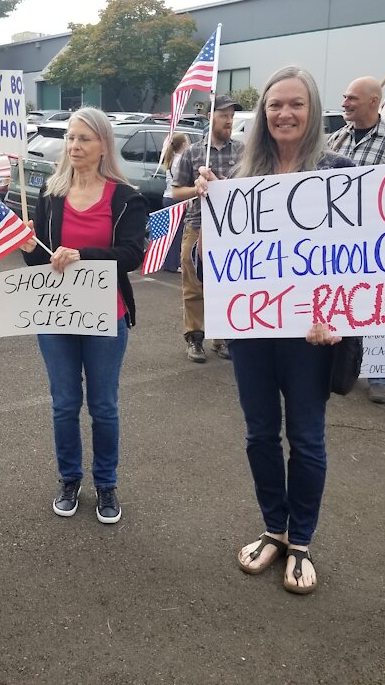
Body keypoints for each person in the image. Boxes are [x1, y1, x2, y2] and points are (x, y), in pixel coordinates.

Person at [195, 66, 355, 596]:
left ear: (312, 112)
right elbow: (207, 265)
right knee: (260, 433)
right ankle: (274, 528)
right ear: (262, 116)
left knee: (306, 439)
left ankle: (302, 542)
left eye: (296, 104)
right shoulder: (240, 181)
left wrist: (340, 315)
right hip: (253, 332)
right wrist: (208, 210)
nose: (284, 113)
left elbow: (360, 262)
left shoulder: (340, 172)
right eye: (274, 105)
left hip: (312, 335)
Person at [17, 107, 147, 525]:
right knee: (64, 404)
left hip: (106, 315)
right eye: (71, 138)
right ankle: (69, 479)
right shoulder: (51, 194)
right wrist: (26, 246)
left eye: (84, 139)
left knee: (104, 406)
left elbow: (133, 254)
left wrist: (83, 255)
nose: (74, 146)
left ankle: (106, 483)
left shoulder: (126, 197)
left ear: (103, 145)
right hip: (56, 315)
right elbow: (39, 261)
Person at [324, 75, 385, 404]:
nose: (344, 103)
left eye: (351, 98)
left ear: (374, 102)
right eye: (344, 97)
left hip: (378, 241)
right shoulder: (334, 140)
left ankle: (380, 375)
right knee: (343, 305)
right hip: (338, 241)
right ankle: (342, 368)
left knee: (379, 306)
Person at [172, 94, 244, 363]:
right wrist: (198, 187)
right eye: (224, 115)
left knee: (226, 283)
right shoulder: (193, 152)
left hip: (230, 229)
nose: (229, 120)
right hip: (197, 225)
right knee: (194, 285)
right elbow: (176, 190)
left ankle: (222, 336)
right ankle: (195, 338)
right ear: (211, 117)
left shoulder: (242, 151)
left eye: (232, 116)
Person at [158, 132, 190, 273]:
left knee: (169, 233)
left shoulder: (170, 160)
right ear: (183, 145)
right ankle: (174, 263)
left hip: (167, 197)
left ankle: (167, 262)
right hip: (176, 199)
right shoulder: (180, 161)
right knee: (178, 234)